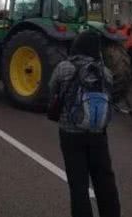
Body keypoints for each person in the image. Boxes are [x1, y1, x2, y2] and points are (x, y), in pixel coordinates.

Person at [48, 31, 121, 217]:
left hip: (70, 133)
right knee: (105, 180)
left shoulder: (64, 67)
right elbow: (111, 95)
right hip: (98, 133)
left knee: (78, 184)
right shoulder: (104, 72)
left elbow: (52, 90)